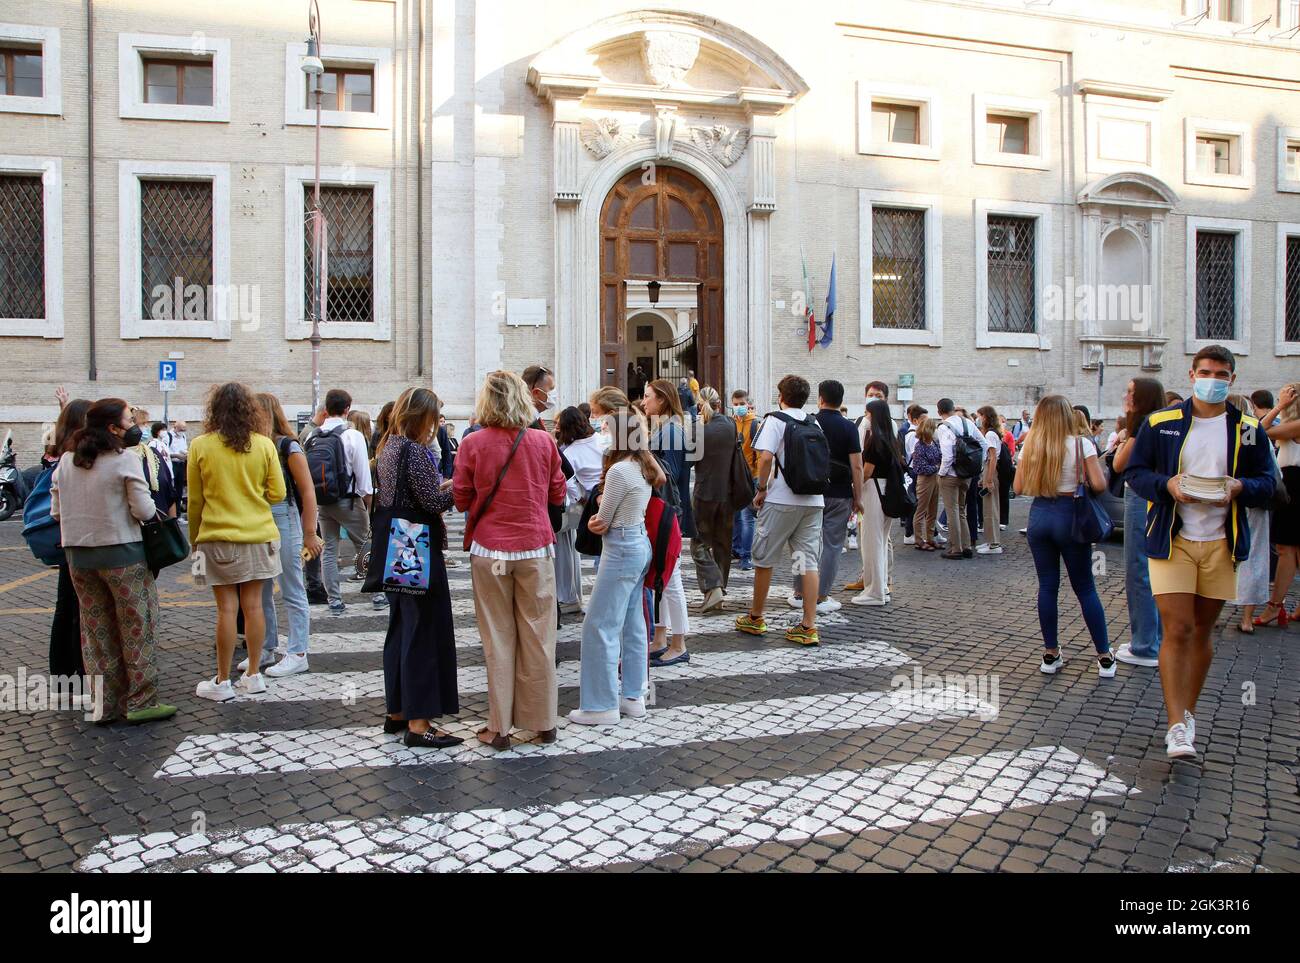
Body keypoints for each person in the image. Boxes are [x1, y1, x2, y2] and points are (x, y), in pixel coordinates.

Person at [1126, 346, 1276, 759]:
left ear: (1232, 378)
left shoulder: (1247, 428)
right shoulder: (1161, 423)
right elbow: (1136, 473)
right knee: (1176, 629)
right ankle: (1176, 725)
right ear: (1192, 375)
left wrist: (1240, 488)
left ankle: (1188, 711)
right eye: (1206, 371)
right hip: (1171, 539)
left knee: (1200, 631)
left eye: (1222, 373)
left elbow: (1268, 481)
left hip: (1222, 542)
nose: (1213, 378)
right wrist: (1167, 486)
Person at [454, 370, 567, 750]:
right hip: (535, 548)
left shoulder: (473, 443)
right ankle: (544, 721)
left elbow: (462, 499)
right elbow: (557, 493)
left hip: (491, 552)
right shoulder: (542, 441)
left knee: (498, 638)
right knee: (539, 636)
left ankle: (499, 728)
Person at [51, 399, 176, 724]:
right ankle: (141, 700)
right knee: (138, 625)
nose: (133, 422)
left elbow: (56, 511)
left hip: (78, 556)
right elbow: (145, 511)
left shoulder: (66, 461)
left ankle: (104, 704)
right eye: (128, 417)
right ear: (113, 427)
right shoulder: (124, 460)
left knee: (96, 630)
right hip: (123, 554)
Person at [373, 388, 463, 749]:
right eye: (435, 417)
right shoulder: (413, 450)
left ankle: (397, 710)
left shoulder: (389, 445)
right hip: (415, 543)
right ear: (421, 417)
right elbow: (432, 500)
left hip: (396, 539)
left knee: (403, 625)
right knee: (423, 628)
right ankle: (419, 721)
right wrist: (459, 483)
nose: (436, 424)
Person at [188, 383, 286, 701]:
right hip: (260, 534)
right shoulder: (263, 445)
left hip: (217, 536)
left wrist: (194, 541)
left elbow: (195, 502)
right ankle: (254, 674)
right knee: (255, 606)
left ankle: (221, 679)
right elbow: (278, 494)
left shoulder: (200, 446)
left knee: (226, 610)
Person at [570, 407, 662, 725]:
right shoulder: (642, 465)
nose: (603, 433)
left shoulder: (619, 471)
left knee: (599, 625)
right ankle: (633, 696)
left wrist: (599, 511)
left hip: (622, 547)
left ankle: (601, 705)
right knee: (632, 624)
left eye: (607, 429)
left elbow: (601, 522)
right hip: (638, 543)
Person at [1013, 395, 1116, 679]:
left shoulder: (1030, 446)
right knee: (1085, 587)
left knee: (1047, 586)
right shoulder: (1081, 444)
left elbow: (1018, 486)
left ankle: (1050, 653)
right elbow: (1098, 483)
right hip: (1071, 515)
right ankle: (1104, 655)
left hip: (1040, 514)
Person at [735, 374, 823, 646]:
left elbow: (765, 457)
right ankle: (808, 624)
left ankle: (756, 616)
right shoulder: (813, 421)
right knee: (806, 561)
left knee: (764, 558)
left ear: (781, 396)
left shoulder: (776, 420)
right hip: (813, 500)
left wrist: (761, 489)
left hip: (782, 500)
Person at [249, 393, 323, 678]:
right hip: (260, 517)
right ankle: (267, 647)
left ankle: (298, 651)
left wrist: (309, 533)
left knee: (291, 586)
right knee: (263, 587)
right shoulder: (258, 445)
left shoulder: (287, 445)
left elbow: (307, 491)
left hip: (284, 517)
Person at [791, 380, 862, 614]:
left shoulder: (808, 421)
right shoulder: (849, 427)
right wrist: (857, 497)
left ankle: (800, 592)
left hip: (810, 492)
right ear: (840, 400)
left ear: (820, 398)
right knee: (832, 545)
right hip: (840, 493)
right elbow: (857, 466)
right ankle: (821, 595)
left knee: (803, 543)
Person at [1109, 377, 1166, 666]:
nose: (1126, 395)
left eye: (1131, 391)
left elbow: (1119, 464)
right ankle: (1155, 639)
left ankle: (1145, 645)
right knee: (1155, 570)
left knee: (1138, 568)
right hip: (1155, 496)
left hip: (1140, 496)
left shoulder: (1142, 425)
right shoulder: (1162, 422)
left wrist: (1122, 438)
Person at [643, 379, 695, 663]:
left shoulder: (672, 431)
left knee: (671, 579)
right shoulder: (666, 429)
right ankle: (661, 636)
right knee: (662, 577)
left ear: (662, 400)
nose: (644, 402)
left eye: (648, 397)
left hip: (667, 510)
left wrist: (641, 454)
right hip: (662, 509)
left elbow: (669, 473)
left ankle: (679, 643)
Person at [311, 389, 374, 617]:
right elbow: (363, 477)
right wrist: (367, 502)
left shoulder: (314, 435)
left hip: (323, 501)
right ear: (347, 409)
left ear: (326, 409)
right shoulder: (353, 436)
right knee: (365, 545)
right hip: (349, 501)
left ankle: (334, 599)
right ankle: (377, 594)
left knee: (329, 549)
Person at [46, 398, 92, 680]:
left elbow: (56, 510)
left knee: (65, 604)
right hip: (82, 538)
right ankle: (79, 665)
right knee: (81, 606)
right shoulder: (78, 455)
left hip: (66, 536)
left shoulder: (57, 448)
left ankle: (60, 667)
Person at [688, 386, 739, 620]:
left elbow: (689, 460)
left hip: (704, 493)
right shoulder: (731, 425)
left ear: (700, 405)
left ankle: (713, 586)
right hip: (727, 494)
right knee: (722, 544)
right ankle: (720, 591)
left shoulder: (699, 430)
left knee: (699, 543)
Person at [1253, 383, 1300, 627]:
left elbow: (1259, 433)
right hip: (1292, 485)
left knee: (1285, 549)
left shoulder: (1296, 424)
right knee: (1291, 550)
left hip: (1294, 487)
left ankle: (1275, 606)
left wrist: (1279, 406)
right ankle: (1280, 606)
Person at [556, 405, 603, 614]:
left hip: (589, 502)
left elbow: (568, 481)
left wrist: (581, 498)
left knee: (585, 544)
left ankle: (571, 596)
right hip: (609, 494)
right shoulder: (600, 439)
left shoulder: (571, 453)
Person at [853, 398, 901, 606]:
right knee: (880, 540)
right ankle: (879, 587)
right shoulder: (891, 438)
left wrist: (855, 487)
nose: (866, 418)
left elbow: (867, 471)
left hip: (873, 490)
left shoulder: (874, 439)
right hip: (888, 491)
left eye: (867, 414)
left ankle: (874, 592)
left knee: (871, 542)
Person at [936, 398, 988, 560]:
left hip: (951, 474)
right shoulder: (968, 423)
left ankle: (956, 548)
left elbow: (947, 455)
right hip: (967, 474)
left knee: (952, 511)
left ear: (939, 412)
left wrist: (941, 473)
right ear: (952, 408)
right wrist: (979, 467)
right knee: (961, 511)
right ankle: (966, 545)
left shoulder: (944, 427)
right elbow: (984, 444)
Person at [729, 390, 760, 571]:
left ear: (748, 404)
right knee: (734, 515)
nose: (739, 407)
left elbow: (759, 453)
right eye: (736, 404)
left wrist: (757, 479)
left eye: (742, 404)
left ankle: (746, 556)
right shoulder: (730, 423)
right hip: (734, 476)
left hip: (750, 476)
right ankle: (736, 549)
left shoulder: (755, 424)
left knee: (746, 517)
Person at [909, 417, 942, 550]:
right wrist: (936, 467)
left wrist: (936, 467)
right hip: (925, 479)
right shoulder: (919, 446)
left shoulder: (933, 443)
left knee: (933, 510)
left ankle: (930, 538)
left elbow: (940, 457)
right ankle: (918, 539)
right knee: (921, 510)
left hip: (935, 478)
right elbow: (920, 467)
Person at [975, 406, 1003, 555]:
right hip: (988, 469)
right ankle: (989, 540)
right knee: (987, 507)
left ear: (985, 417)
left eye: (980, 416)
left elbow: (992, 458)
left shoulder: (991, 434)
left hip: (990, 470)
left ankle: (994, 543)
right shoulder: (991, 433)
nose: (978, 419)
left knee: (991, 508)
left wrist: (989, 478)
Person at [898, 405, 925, 545]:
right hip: (914, 470)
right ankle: (909, 532)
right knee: (914, 502)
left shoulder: (918, 433)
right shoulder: (910, 433)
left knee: (918, 502)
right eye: (923, 419)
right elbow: (914, 454)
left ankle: (914, 531)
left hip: (916, 470)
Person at [147, 423, 179, 518]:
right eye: (163, 429)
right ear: (158, 431)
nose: (165, 431)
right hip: (162, 476)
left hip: (169, 474)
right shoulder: (153, 443)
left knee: (171, 497)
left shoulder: (164, 443)